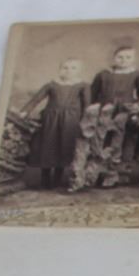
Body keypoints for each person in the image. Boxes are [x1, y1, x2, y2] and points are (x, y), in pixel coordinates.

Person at [20, 58, 89, 191]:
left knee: (64, 146)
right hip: (51, 119)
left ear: (79, 71)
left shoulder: (82, 86)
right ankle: (45, 178)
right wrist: (25, 111)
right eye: (65, 68)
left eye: (73, 68)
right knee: (48, 146)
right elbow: (36, 99)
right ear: (60, 70)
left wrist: (86, 122)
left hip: (70, 120)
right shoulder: (52, 85)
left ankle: (58, 177)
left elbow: (87, 105)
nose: (68, 71)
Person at [89, 43, 139, 168]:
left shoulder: (137, 74)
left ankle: (122, 164)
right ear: (114, 58)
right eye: (120, 57)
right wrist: (91, 107)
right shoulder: (103, 74)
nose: (123, 60)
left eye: (128, 57)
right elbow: (92, 93)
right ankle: (101, 162)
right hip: (106, 109)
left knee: (125, 135)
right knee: (103, 133)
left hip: (125, 109)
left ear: (133, 59)